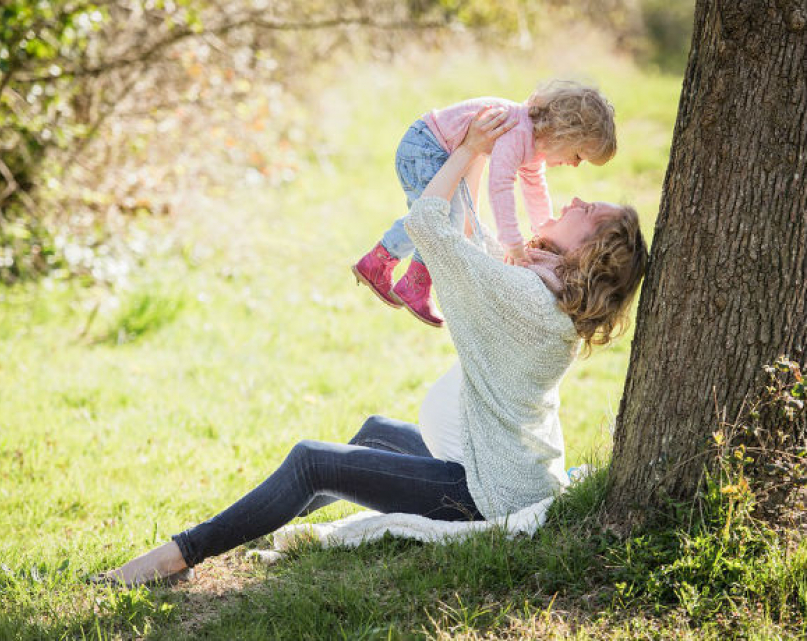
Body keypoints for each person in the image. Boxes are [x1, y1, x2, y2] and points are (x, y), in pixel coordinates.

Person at [93, 107, 647, 588]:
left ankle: (178, 556)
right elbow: (474, 239)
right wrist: (478, 156)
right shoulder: (546, 294)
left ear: (590, 252)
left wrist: (472, 150)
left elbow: (430, 224)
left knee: (313, 461)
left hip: (485, 493)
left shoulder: (527, 297)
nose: (575, 198)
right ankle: (243, 528)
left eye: (590, 211)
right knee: (373, 434)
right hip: (498, 466)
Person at [352, 80, 616, 328]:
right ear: (563, 133)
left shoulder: (533, 143)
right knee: (439, 217)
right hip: (425, 148)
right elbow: (500, 187)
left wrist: (543, 231)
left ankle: (386, 267)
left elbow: (535, 190)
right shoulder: (518, 132)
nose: (574, 164)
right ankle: (407, 279)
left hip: (434, 149)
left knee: (439, 216)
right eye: (578, 155)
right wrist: (513, 244)